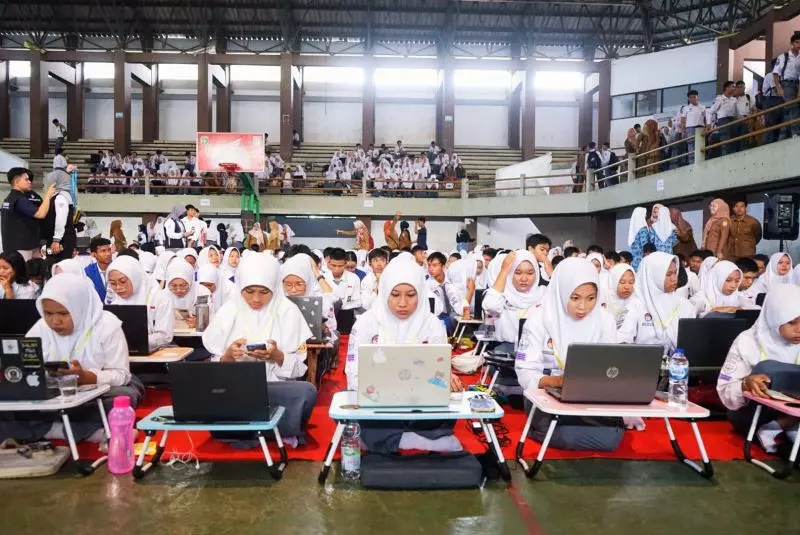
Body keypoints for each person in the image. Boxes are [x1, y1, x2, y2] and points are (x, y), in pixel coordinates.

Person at [0, 273, 142, 444]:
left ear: (79, 307)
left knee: (124, 396)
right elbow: (26, 364)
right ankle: (87, 433)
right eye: (48, 313)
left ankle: (45, 430)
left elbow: (121, 374)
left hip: (96, 391)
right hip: (53, 391)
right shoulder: (41, 327)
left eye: (63, 313)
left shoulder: (107, 325)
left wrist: (86, 377)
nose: (55, 321)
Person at [345, 256, 463, 454]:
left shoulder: (432, 324)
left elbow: (438, 371)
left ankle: (388, 440)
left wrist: (446, 378)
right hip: (378, 401)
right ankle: (422, 440)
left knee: (447, 406)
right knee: (359, 414)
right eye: (395, 295)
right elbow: (353, 371)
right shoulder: (366, 323)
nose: (402, 303)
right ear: (383, 294)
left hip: (420, 402)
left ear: (421, 294)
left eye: (410, 295)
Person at [202, 254, 316, 442]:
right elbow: (215, 371)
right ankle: (270, 430)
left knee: (306, 391)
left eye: (264, 292)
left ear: (274, 288)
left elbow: (298, 368)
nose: (256, 299)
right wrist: (229, 355)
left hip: (272, 388)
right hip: (235, 388)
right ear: (240, 288)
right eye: (249, 291)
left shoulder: (288, 312)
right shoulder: (228, 312)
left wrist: (277, 356)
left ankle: (243, 429)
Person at [515, 258, 622, 452]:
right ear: (561, 292)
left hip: (591, 395)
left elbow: (611, 365)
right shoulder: (539, 318)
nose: (583, 307)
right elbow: (525, 372)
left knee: (611, 436)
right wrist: (557, 382)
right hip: (547, 394)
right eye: (574, 298)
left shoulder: (604, 319)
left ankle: (551, 430)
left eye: (591, 298)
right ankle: (540, 429)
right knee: (603, 437)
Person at [717, 286, 800, 452]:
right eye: (792, 322)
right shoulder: (747, 342)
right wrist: (744, 384)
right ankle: (779, 428)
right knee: (767, 368)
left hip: (795, 412)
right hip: (753, 415)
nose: (799, 329)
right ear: (774, 317)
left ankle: (788, 427)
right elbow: (724, 390)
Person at [618, 252, 696, 356]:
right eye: (668, 274)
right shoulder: (635, 306)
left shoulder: (684, 305)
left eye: (675, 272)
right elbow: (622, 341)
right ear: (652, 276)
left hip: (678, 366)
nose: (674, 278)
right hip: (644, 366)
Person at [106, 255, 174, 352]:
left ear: (135, 278)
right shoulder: (114, 303)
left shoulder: (159, 298)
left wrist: (134, 342)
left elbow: (165, 336)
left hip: (154, 359)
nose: (118, 287)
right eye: (112, 283)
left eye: (123, 281)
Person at [482, 250, 544, 352]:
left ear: (536, 272)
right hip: (506, 349)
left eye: (530, 273)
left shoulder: (542, 293)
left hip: (535, 350)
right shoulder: (503, 294)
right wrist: (504, 271)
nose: (524, 278)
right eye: (518, 272)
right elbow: (490, 307)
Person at [1, 167, 56, 261]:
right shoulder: (19, 200)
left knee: (36, 271)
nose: (30, 182)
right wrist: (48, 195)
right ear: (17, 182)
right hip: (22, 248)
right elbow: (40, 214)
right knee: (22, 272)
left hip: (24, 245)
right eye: (26, 179)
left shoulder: (10, 199)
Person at [41, 166, 77, 265]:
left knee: (56, 265)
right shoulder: (61, 196)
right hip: (56, 240)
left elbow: (60, 219)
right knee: (50, 257)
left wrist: (56, 240)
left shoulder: (61, 197)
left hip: (60, 241)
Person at [163, 259, 212, 329]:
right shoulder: (164, 295)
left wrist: (201, 321)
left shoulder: (203, 292)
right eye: (173, 286)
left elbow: (213, 316)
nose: (179, 290)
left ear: (190, 282)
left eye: (183, 285)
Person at [426, 251, 465, 334]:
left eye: (435, 265)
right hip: (438, 317)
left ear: (443, 266)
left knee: (454, 317)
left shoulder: (452, 281)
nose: (431, 269)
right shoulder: (427, 285)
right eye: (429, 265)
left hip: (455, 315)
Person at [324, 248, 361, 334]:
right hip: (327, 315)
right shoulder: (323, 278)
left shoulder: (354, 278)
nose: (337, 269)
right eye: (334, 265)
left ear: (345, 264)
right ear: (328, 263)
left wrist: (342, 306)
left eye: (340, 266)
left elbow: (357, 302)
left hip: (346, 316)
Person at [772, 32, 800, 140]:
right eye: (797, 42)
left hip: (797, 83)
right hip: (787, 84)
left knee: (788, 110)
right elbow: (775, 73)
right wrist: (779, 88)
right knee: (793, 107)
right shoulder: (784, 56)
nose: (799, 45)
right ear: (792, 43)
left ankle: (782, 135)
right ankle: (796, 133)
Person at [606, 264, 643, 329]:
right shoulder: (604, 303)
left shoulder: (638, 304)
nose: (627, 287)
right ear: (613, 282)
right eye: (622, 282)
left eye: (631, 282)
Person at [708, 81, 739, 157]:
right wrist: (709, 124)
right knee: (725, 141)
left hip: (732, 120)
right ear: (726, 88)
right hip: (723, 120)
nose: (734, 88)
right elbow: (710, 112)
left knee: (733, 140)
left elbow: (736, 113)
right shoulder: (719, 99)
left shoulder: (734, 99)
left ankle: (732, 157)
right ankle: (725, 157)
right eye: (732, 86)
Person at [679, 90, 707, 165]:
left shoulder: (703, 107)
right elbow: (682, 121)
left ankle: (701, 161)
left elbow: (706, 120)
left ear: (697, 97)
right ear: (689, 99)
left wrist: (706, 128)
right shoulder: (686, 108)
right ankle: (692, 163)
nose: (692, 99)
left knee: (701, 144)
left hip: (701, 127)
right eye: (690, 97)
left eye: (694, 97)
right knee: (691, 145)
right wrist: (682, 131)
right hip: (690, 128)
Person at [84, 237, 113, 302]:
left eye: (109, 250)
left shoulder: (118, 267)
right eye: (103, 251)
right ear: (94, 254)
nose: (108, 254)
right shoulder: (88, 272)